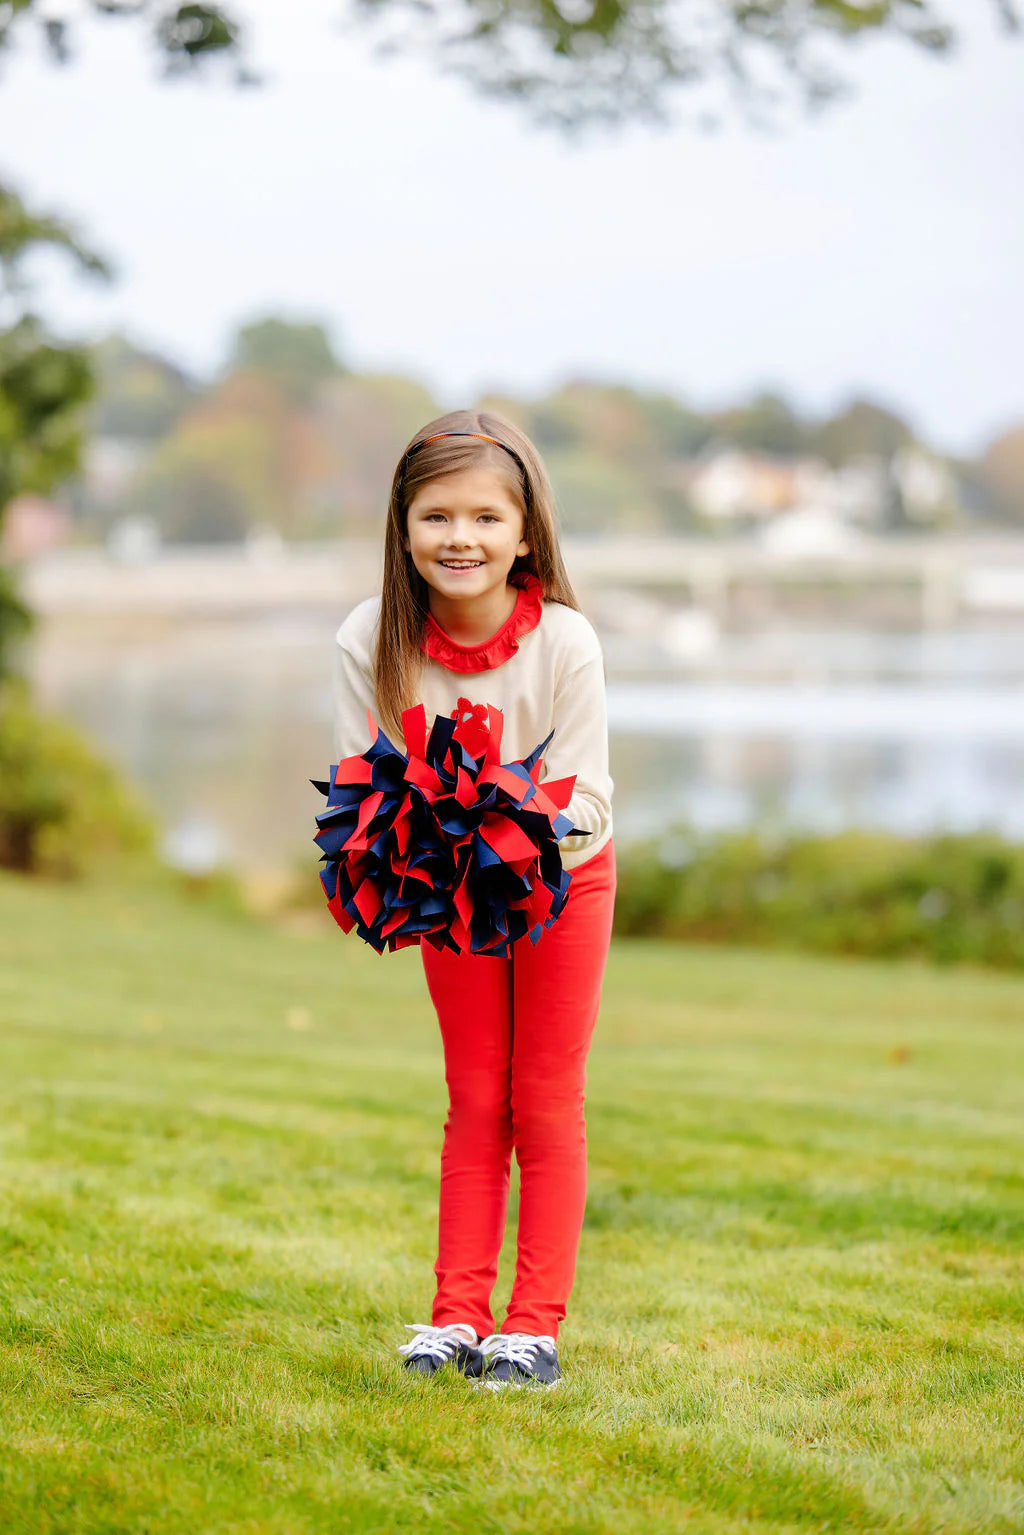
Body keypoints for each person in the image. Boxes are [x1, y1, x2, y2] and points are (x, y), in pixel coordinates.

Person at [332, 409, 615, 1389]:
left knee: (543, 1098)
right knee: (472, 1097)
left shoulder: (566, 641)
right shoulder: (369, 638)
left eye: (487, 518)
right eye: (436, 515)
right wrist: (409, 851)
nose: (461, 537)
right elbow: (357, 779)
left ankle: (529, 1325)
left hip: (561, 883)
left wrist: (499, 816)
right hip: (447, 889)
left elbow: (588, 799)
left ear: (525, 530)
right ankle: (456, 1312)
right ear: (401, 529)